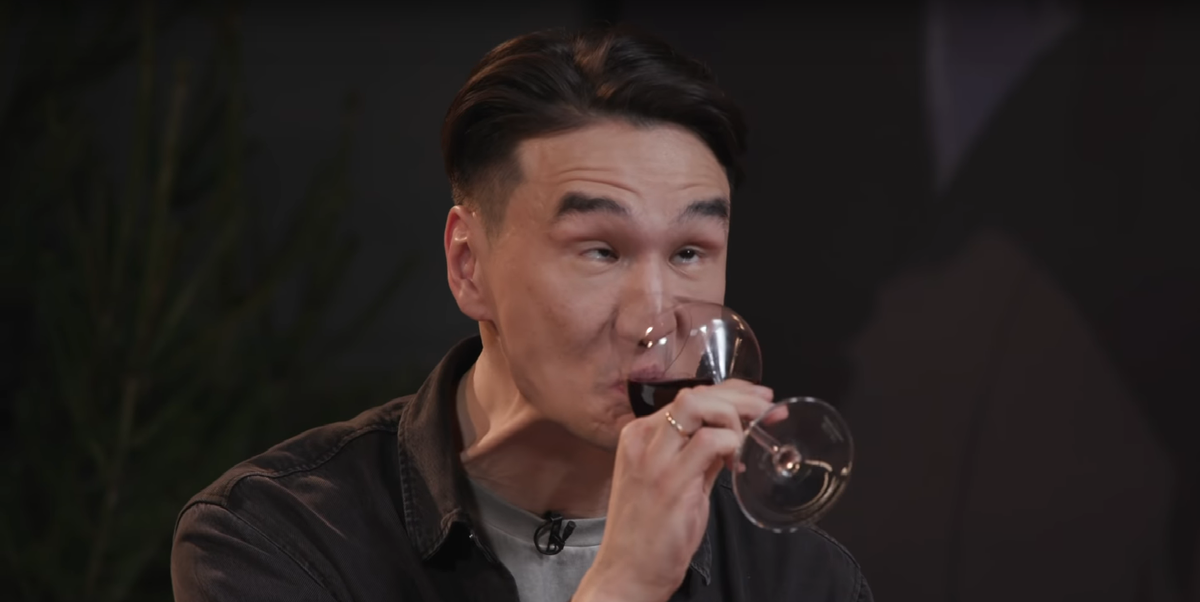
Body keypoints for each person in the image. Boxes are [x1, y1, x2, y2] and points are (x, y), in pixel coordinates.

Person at [171, 24, 872, 602]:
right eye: (601, 251)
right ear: (468, 265)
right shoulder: (278, 537)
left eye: (690, 252)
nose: (653, 317)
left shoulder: (801, 578)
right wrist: (625, 584)